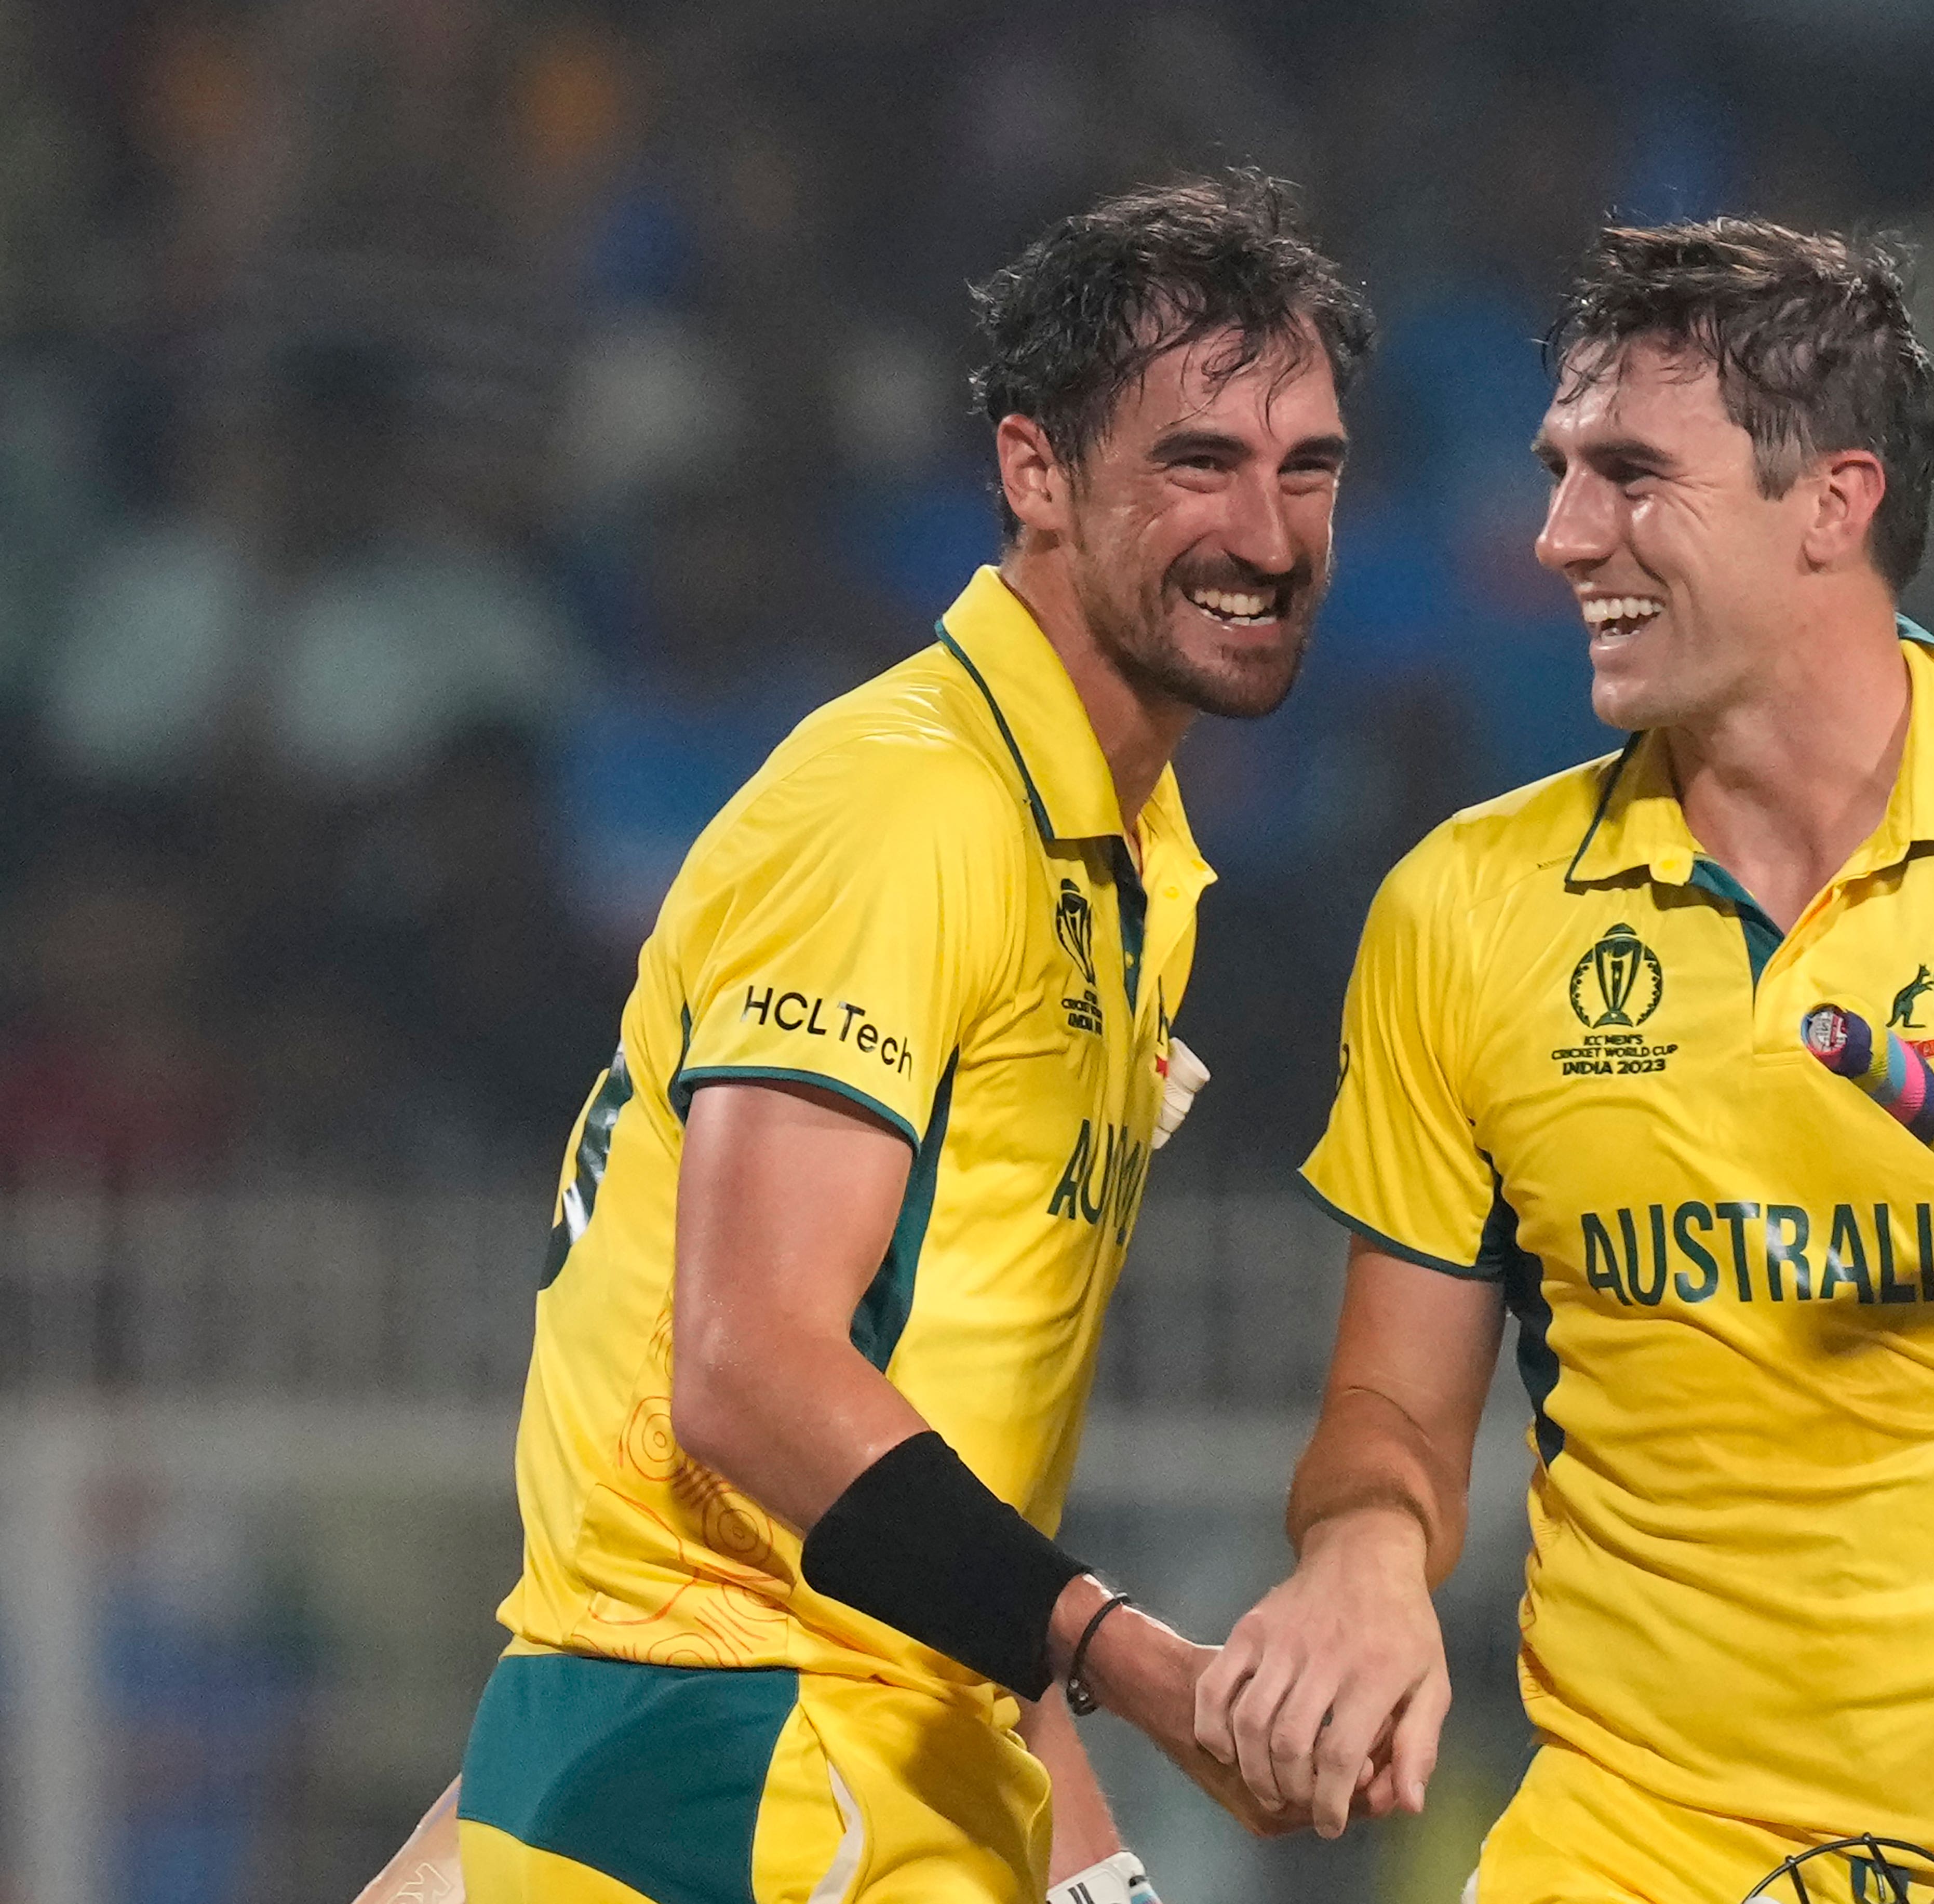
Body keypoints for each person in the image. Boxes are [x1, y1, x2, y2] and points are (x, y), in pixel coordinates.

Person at [1195, 220, 1934, 1904]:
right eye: (1558, 471)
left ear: (1832, 502)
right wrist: (1365, 1551)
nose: (1557, 537)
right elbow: (1393, 1406)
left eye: (1628, 475)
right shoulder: (1460, 911)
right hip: (1620, 1857)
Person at [368, 172, 1376, 1904]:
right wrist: (1130, 1662)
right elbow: (750, 1365)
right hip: (748, 1760)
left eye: (1309, 470)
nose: (1268, 533)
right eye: (1198, 463)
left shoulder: (1124, 863)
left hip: (811, 1750)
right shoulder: (907, 809)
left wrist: (1088, 1853)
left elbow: (919, 1452)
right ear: (1032, 473)